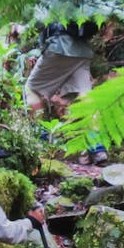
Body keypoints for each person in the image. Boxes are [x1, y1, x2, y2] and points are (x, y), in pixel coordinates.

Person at [23, 21, 106, 164]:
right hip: (83, 52)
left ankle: (44, 144)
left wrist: (21, 28)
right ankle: (97, 148)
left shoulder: (56, 1)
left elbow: (39, 21)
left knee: (31, 89)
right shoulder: (82, 1)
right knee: (85, 96)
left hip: (60, 48)